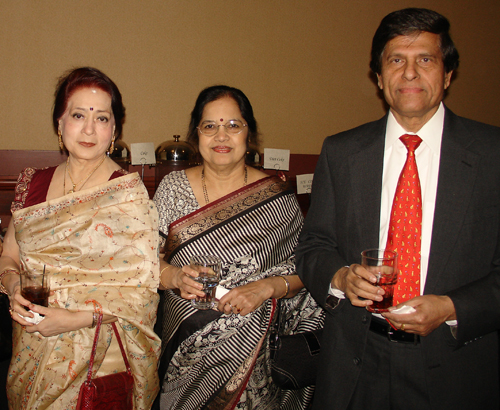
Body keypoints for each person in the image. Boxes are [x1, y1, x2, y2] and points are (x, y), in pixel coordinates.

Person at [296, 8, 500, 410]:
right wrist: (340, 276)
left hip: (457, 367)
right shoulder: (342, 151)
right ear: (378, 77)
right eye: (396, 60)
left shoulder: (492, 154)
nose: (409, 73)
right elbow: (313, 246)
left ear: (447, 74)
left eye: (425, 59)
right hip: (356, 364)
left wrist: (451, 307)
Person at [153, 85, 324, 409]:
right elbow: (146, 259)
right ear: (196, 134)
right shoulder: (173, 187)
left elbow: (308, 266)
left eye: (233, 125)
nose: (221, 136)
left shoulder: (277, 196)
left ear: (250, 134)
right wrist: (175, 276)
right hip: (184, 352)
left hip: (258, 359)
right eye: (210, 126)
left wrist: (265, 288)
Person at [0, 67, 160, 409]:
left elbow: (142, 291)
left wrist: (75, 318)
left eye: (102, 118)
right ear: (60, 124)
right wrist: (13, 289)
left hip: (99, 354)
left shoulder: (127, 195)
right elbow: (9, 255)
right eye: (78, 115)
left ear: (114, 130)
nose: (89, 129)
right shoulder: (33, 184)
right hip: (32, 343)